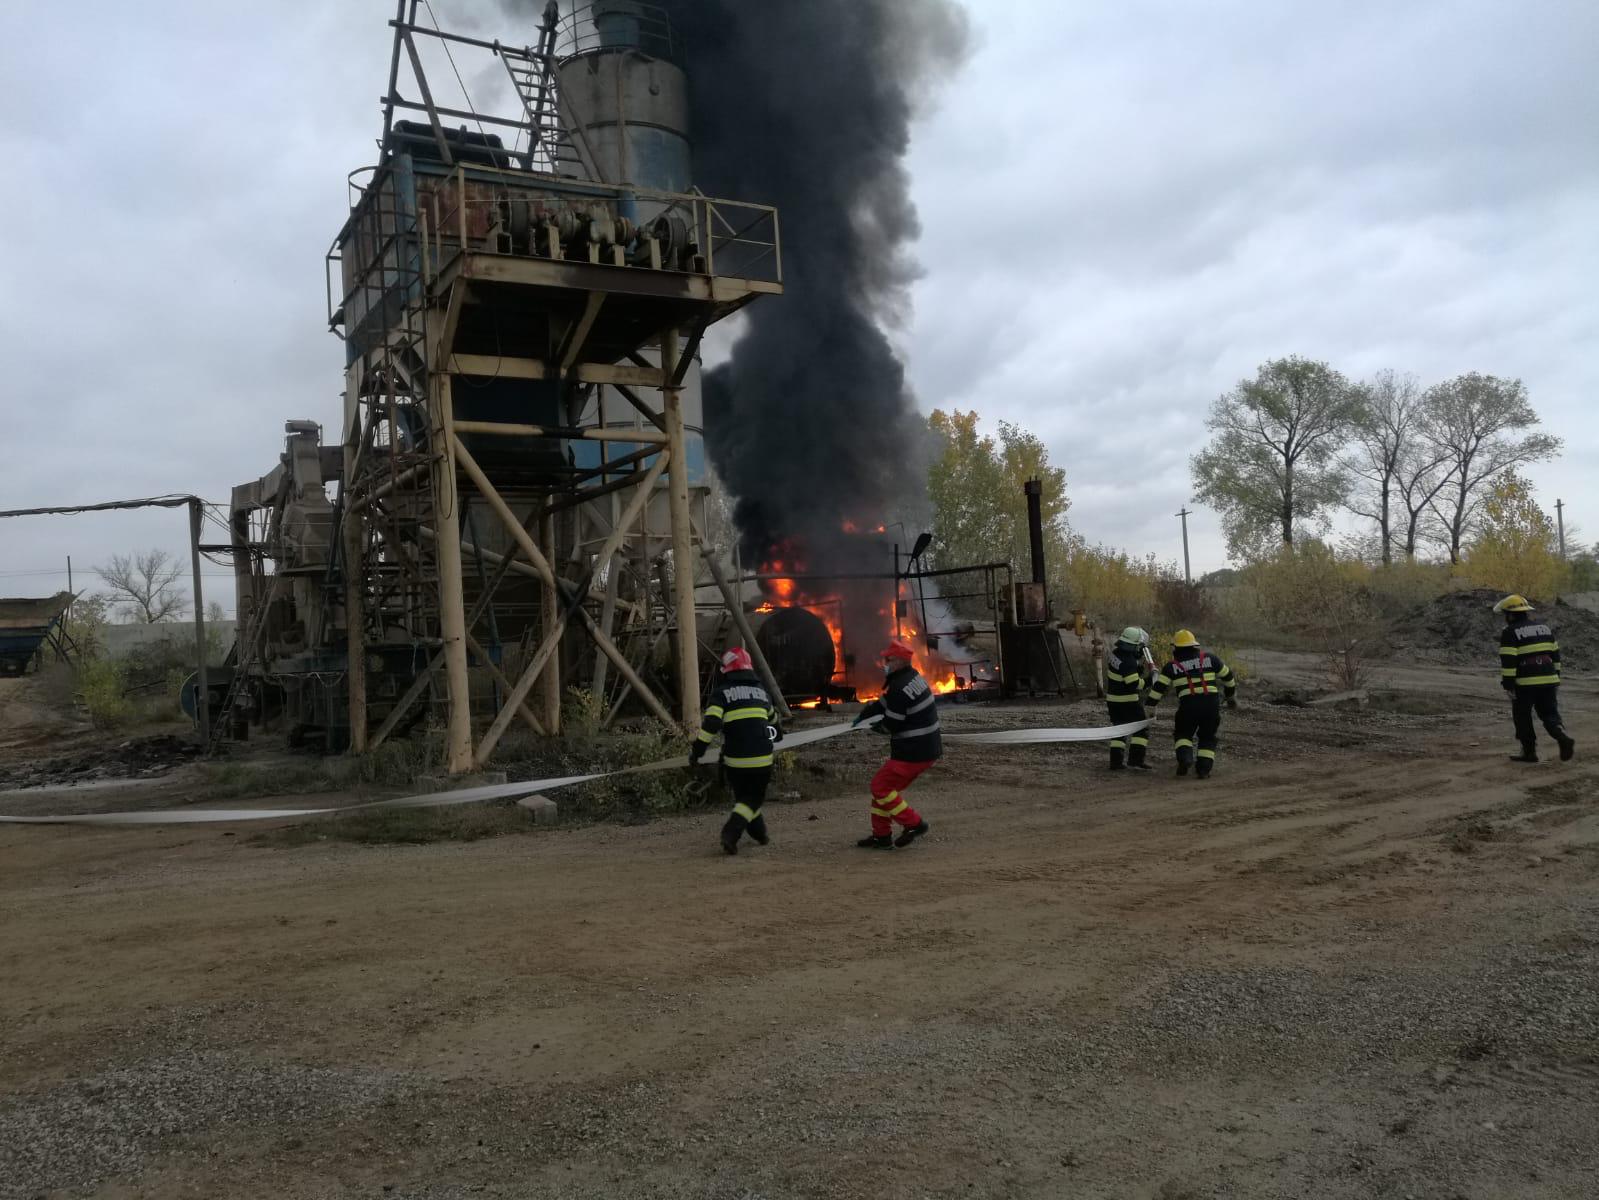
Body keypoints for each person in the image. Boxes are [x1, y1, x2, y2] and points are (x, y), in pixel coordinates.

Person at [690, 647, 782, 855]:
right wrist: (776, 736)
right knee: (753, 798)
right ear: (749, 668)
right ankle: (730, 833)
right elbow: (775, 724)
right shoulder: (762, 692)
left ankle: (759, 833)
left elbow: (711, 725)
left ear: (726, 670)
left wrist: (697, 752)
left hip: (735, 761)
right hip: (761, 760)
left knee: (745, 798)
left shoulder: (721, 694)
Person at [851, 640, 938, 849]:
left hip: (913, 751)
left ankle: (915, 824)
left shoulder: (900, 686)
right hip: (925, 748)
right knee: (884, 791)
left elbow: (891, 723)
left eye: (888, 660)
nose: (885, 664)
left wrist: (876, 728)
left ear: (899, 662)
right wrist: (866, 714)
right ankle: (881, 836)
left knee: (879, 787)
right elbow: (886, 702)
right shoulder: (910, 677)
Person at [1495, 594, 1576, 764]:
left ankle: (1529, 752)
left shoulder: (1510, 632)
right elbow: (1555, 655)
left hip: (1525, 684)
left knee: (1522, 716)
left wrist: (1508, 684)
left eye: (1505, 614)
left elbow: (1509, 660)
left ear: (1511, 615)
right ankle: (1562, 737)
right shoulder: (1544, 628)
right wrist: (1556, 677)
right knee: (1549, 714)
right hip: (1549, 680)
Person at [1145, 630, 1237, 779]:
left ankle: (1185, 759)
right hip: (1211, 705)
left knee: (1183, 733)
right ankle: (1204, 770)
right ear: (1194, 645)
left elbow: (1158, 689)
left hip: (1188, 706)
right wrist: (1230, 696)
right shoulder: (1211, 659)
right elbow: (1229, 677)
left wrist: (1150, 707)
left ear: (1176, 647)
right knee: (1208, 737)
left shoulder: (1171, 666)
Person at [1105, 626, 1154, 770]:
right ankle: (1136, 760)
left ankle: (1116, 762)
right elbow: (1133, 684)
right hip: (1127, 701)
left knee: (1119, 730)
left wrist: (1136, 670)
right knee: (1141, 729)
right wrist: (1149, 681)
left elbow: (1122, 672)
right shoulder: (1129, 661)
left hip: (1113, 700)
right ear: (1133, 645)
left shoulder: (1116, 654)